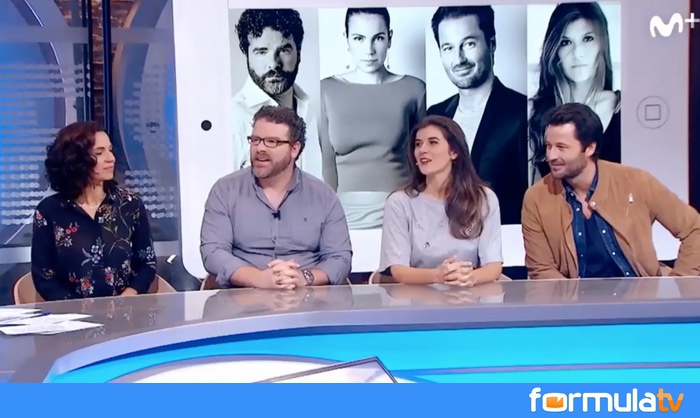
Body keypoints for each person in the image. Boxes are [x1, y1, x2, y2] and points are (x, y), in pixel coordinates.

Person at [521, 103, 700, 280]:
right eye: (549, 146)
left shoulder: (636, 182)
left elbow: (694, 229)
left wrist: (681, 283)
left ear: (589, 148)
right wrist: (572, 298)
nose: (551, 156)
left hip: (640, 295)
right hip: (575, 297)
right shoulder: (537, 198)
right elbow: (542, 269)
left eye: (562, 147)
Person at [200, 105, 352, 288]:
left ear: (294, 149)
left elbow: (339, 258)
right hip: (242, 295)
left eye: (271, 142)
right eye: (255, 140)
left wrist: (304, 277)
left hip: (308, 297)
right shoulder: (225, 190)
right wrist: (259, 279)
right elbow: (213, 251)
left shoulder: (324, 196)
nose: (259, 148)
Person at [319, 7, 426, 230]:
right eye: (359, 38)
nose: (368, 50)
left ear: (390, 38)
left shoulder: (414, 89)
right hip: (345, 215)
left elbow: (425, 159)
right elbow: (328, 163)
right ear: (347, 39)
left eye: (378, 38)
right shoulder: (325, 90)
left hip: (403, 211)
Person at [30, 122, 157, 301]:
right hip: (71, 314)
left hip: (125, 310)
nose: (111, 158)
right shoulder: (49, 211)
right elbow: (44, 277)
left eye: (110, 150)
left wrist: (127, 298)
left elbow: (146, 263)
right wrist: (80, 309)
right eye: (99, 153)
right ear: (75, 159)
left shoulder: (130, 205)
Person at [427, 6, 527, 225]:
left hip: (503, 241)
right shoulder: (434, 115)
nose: (459, 59)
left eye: (469, 44)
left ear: (492, 43)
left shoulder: (523, 112)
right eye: (448, 48)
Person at [378, 115, 503, 286]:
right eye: (418, 144)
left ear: (454, 152)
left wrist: (470, 278)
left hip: (469, 295)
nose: (422, 150)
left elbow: (493, 266)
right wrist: (438, 276)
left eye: (433, 142)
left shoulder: (483, 199)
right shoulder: (400, 202)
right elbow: (398, 270)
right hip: (416, 297)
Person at [528, 2, 620, 184]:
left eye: (588, 39)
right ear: (555, 50)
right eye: (566, 42)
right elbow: (529, 189)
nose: (578, 53)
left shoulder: (622, 107)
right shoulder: (534, 111)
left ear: (602, 44)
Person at [232, 9, 321, 178]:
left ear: (299, 52)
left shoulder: (313, 109)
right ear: (247, 54)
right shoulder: (232, 119)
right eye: (262, 52)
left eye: (284, 50)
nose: (273, 64)